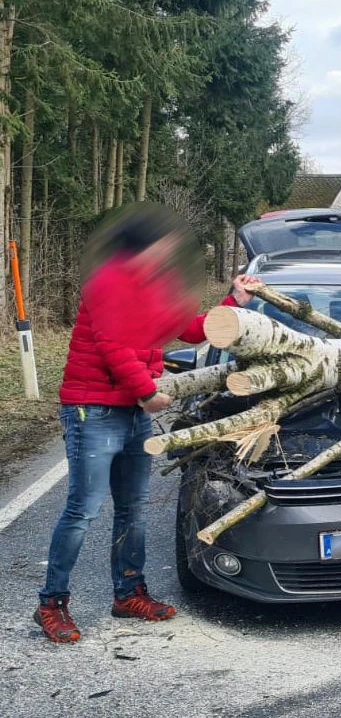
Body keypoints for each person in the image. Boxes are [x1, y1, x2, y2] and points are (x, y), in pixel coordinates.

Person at [36, 204, 258, 643]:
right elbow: (113, 347)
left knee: (133, 509)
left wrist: (233, 302)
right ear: (142, 247)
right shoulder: (108, 283)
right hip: (92, 410)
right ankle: (51, 603)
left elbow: (189, 330)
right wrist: (147, 391)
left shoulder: (152, 288)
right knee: (84, 510)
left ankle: (128, 594)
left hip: (132, 413)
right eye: (165, 247)